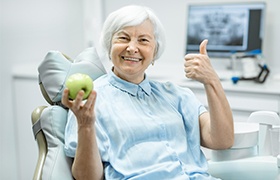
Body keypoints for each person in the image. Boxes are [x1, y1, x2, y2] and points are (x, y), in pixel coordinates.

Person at [62, 5, 234, 180]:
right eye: (123, 38)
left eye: (143, 40)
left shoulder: (176, 95)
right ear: (109, 45)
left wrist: (212, 81)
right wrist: (86, 125)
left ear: (155, 51)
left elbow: (222, 140)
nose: (131, 48)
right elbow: (87, 178)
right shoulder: (90, 102)